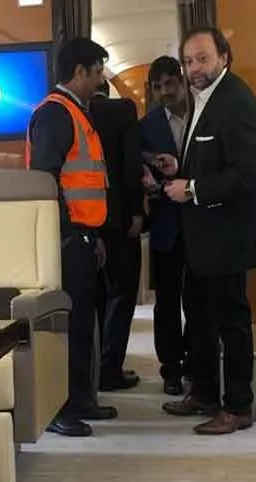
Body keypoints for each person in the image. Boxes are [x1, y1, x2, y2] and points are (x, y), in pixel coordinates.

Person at [158, 26, 256, 436]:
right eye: (188, 61)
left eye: (202, 58)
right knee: (200, 318)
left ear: (224, 57)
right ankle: (204, 392)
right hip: (201, 237)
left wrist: (192, 188)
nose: (194, 68)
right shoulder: (205, 99)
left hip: (226, 235)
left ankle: (238, 406)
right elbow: (212, 158)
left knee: (230, 323)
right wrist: (180, 167)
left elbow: (246, 175)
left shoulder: (235, 101)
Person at [26, 37, 117, 437]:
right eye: (96, 73)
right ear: (79, 72)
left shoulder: (77, 112)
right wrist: (69, 234)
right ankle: (59, 408)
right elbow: (45, 179)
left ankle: (80, 399)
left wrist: (92, 235)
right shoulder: (55, 113)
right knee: (66, 327)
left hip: (83, 234)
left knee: (83, 324)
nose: (100, 81)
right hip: (65, 239)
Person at [139, 55, 192, 395]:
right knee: (168, 303)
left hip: (202, 222)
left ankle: (197, 363)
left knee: (200, 301)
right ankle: (170, 367)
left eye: (169, 84)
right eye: (157, 87)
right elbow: (138, 167)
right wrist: (147, 180)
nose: (164, 92)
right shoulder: (147, 126)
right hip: (165, 225)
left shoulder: (203, 114)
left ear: (182, 80)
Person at [90, 80, 143, 391]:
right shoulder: (123, 110)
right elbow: (130, 164)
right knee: (122, 294)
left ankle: (94, 368)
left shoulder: (75, 113)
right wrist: (137, 211)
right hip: (119, 218)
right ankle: (111, 370)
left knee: (95, 296)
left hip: (86, 220)